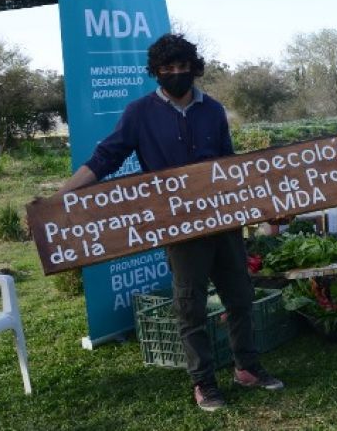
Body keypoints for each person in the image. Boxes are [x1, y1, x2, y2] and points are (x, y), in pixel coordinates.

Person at [57, 34, 283, 411]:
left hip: (223, 221)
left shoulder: (213, 109)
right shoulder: (139, 113)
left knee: (240, 296)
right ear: (156, 72)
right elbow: (105, 158)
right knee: (189, 303)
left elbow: (229, 165)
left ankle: (247, 367)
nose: (177, 74)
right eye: (168, 69)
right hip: (178, 226)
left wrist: (257, 204)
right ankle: (204, 382)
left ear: (194, 68)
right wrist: (64, 195)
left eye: (183, 67)